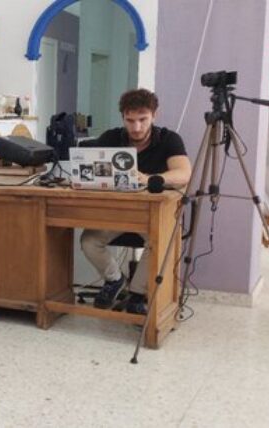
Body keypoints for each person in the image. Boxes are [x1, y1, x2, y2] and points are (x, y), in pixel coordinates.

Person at [81, 88, 192, 314]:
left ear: (154, 115)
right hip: (117, 213)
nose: (136, 127)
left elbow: (184, 173)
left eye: (143, 120)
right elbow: (90, 168)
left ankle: (137, 294)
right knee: (88, 241)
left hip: (153, 215)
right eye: (130, 121)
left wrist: (150, 179)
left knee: (159, 240)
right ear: (123, 117)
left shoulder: (169, 139)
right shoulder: (111, 138)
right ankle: (114, 280)